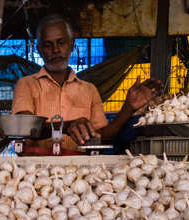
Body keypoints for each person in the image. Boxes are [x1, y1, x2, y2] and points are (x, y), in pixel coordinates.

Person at [12, 14, 162, 150]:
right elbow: (25, 128)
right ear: (39, 50)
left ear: (71, 45)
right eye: (48, 45)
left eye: (61, 42)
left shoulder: (89, 90)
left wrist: (128, 107)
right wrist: (66, 126)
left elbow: (103, 136)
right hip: (34, 168)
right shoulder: (26, 84)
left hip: (79, 170)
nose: (55, 50)